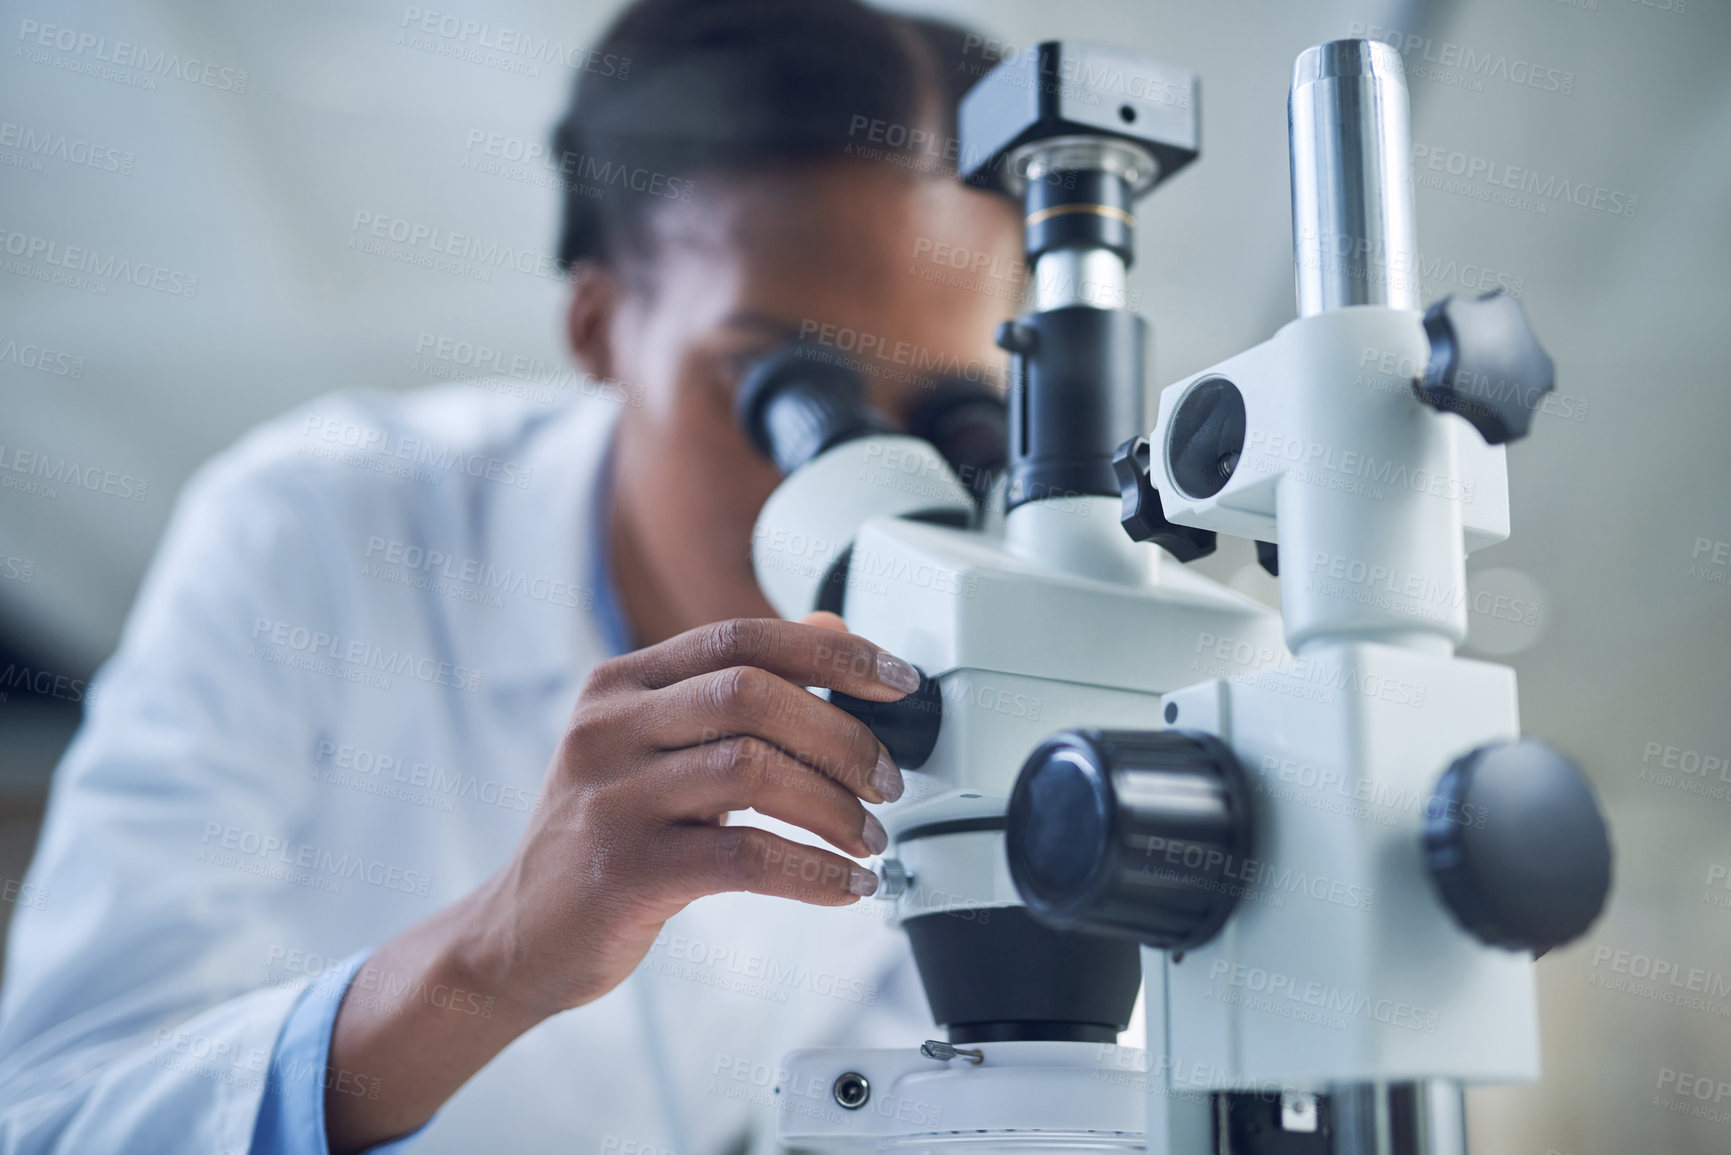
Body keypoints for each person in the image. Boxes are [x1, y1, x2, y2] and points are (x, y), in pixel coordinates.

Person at [0, 0, 1023, 1150]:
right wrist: (495, 959)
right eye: (783, 395)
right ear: (597, 327)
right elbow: (55, 1118)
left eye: (951, 419)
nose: (866, 481)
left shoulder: (964, 636)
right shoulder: (319, 528)